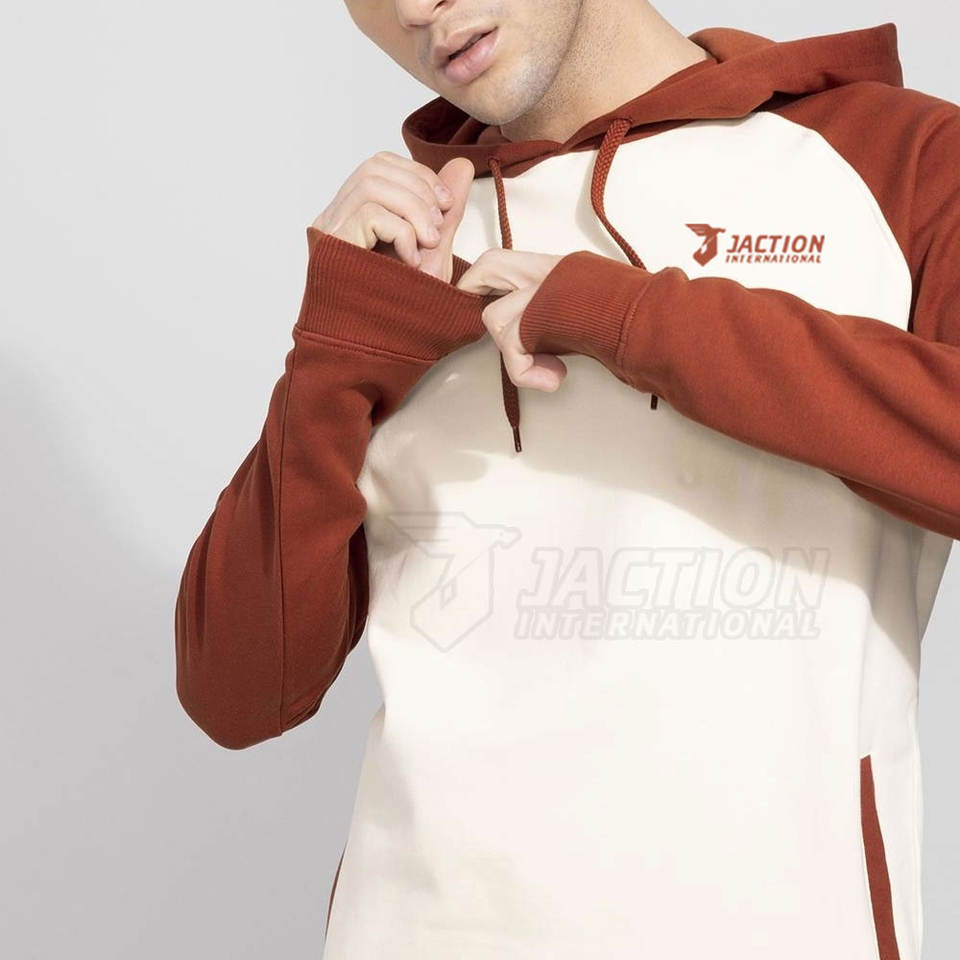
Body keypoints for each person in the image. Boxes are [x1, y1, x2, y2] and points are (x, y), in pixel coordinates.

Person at [174, 3, 960, 957]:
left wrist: (623, 317)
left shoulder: (893, 160)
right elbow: (239, 694)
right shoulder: (406, 247)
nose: (414, 7)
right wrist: (335, 349)